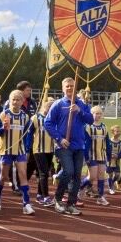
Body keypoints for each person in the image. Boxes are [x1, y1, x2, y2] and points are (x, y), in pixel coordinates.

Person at [44, 78, 94, 216]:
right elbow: (47, 123)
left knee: (77, 175)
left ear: (76, 87)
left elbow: (91, 119)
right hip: (64, 146)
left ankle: (71, 204)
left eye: (72, 86)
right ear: (63, 88)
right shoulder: (58, 104)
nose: (70, 88)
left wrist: (80, 111)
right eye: (67, 86)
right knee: (69, 171)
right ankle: (58, 200)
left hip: (79, 145)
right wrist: (59, 138)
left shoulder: (82, 104)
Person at [0, 90, 34, 215]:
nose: (16, 102)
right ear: (10, 100)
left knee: (22, 174)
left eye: (18, 100)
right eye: (13, 99)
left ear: (22, 101)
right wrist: (3, 128)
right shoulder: (4, 114)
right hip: (6, 150)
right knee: (3, 176)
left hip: (20, 150)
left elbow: (27, 134)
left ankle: (26, 203)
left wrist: (27, 148)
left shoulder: (25, 116)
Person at [81, 106, 111, 206]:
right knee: (92, 177)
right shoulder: (88, 127)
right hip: (91, 155)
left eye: (99, 113)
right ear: (91, 114)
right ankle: (80, 188)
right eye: (95, 113)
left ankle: (100, 197)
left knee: (101, 175)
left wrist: (109, 155)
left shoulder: (104, 127)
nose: (97, 115)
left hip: (101, 155)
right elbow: (86, 143)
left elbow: (107, 142)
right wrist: (86, 156)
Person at [31, 98, 56, 206]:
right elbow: (29, 134)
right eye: (48, 107)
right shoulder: (35, 118)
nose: (50, 109)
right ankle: (46, 197)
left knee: (45, 173)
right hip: (38, 149)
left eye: (52, 107)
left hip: (50, 149)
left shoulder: (54, 119)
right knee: (43, 172)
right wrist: (28, 150)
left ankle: (39, 195)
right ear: (43, 106)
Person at [107, 125, 121, 195]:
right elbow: (105, 150)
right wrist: (110, 155)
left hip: (117, 162)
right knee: (110, 175)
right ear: (112, 132)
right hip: (109, 162)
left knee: (117, 175)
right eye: (117, 131)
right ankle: (110, 187)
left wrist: (118, 156)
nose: (118, 133)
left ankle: (111, 183)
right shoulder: (108, 142)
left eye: (119, 131)